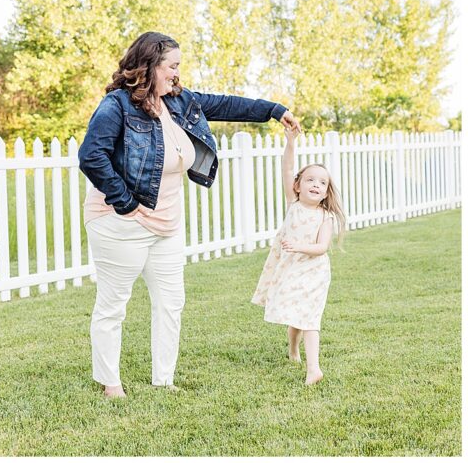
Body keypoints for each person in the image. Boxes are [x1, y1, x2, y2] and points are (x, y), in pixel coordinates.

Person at [77, 31, 300, 397]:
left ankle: (163, 380)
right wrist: (126, 203)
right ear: (149, 66)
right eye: (172, 66)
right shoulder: (116, 105)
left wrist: (274, 110)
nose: (177, 74)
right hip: (119, 222)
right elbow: (92, 156)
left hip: (167, 224)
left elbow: (227, 105)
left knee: (171, 302)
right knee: (113, 305)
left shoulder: (179, 102)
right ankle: (110, 384)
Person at [251, 124, 346, 385]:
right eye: (311, 180)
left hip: (314, 272)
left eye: (322, 183)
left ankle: (314, 369)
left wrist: (298, 246)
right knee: (296, 315)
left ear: (326, 192)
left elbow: (321, 248)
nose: (316, 185)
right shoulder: (293, 203)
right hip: (290, 269)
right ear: (297, 186)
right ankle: (293, 349)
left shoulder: (324, 216)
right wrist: (291, 142)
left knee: (309, 317)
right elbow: (287, 167)